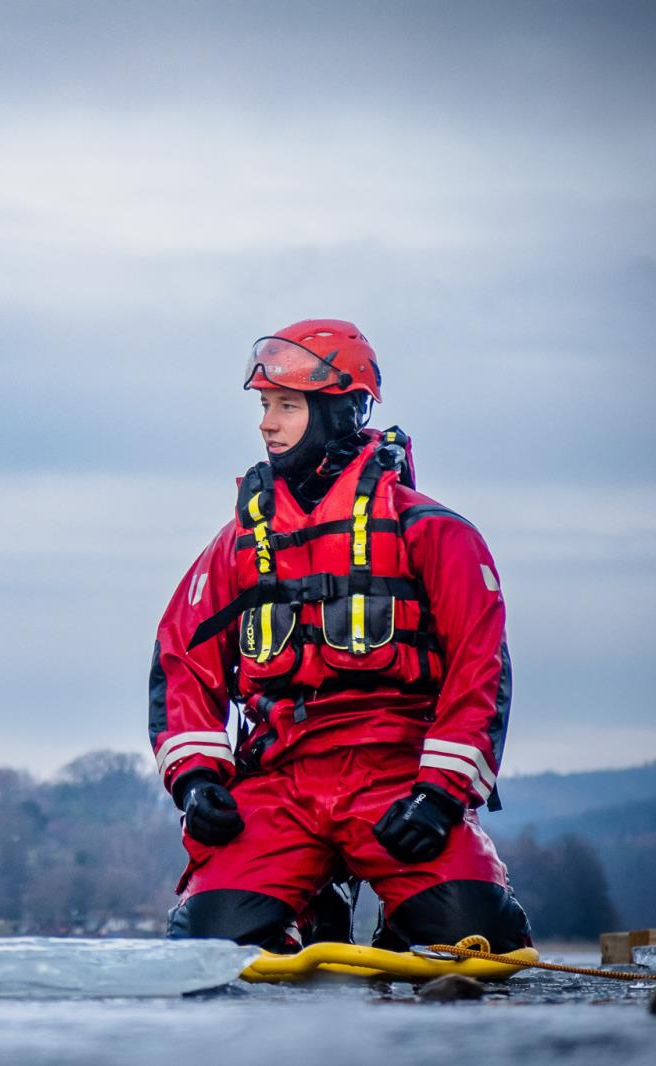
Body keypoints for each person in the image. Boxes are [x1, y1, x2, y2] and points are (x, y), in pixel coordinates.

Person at [150, 319, 532, 954]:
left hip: (398, 780)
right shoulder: (237, 546)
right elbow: (181, 662)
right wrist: (196, 781)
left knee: (475, 934)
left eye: (287, 407)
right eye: (265, 406)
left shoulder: (432, 532)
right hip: (278, 786)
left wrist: (441, 796)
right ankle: (309, 898)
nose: (267, 424)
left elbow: (480, 670)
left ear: (340, 412)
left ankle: (401, 916)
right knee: (205, 948)